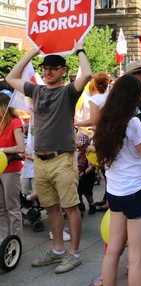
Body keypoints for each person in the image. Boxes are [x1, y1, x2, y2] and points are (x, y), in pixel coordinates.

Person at [6, 42, 92, 274]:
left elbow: (88, 74)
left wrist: (80, 50)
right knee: (52, 208)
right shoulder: (37, 90)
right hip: (41, 160)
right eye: (45, 68)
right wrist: (32, 53)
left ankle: (74, 253)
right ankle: (57, 251)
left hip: (63, 159)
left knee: (70, 207)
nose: (47, 71)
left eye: (53, 68)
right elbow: (11, 77)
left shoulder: (68, 92)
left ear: (63, 71)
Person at [96, 74, 141, 286]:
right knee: (137, 259)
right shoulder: (132, 123)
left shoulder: (106, 119)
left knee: (112, 251)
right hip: (136, 191)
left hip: (115, 192)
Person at [0, 92, 25, 241]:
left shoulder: (15, 122)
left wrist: (2, 149)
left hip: (11, 169)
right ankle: (3, 241)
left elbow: (20, 147)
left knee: (12, 208)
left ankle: (16, 241)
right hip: (1, 168)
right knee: (1, 209)